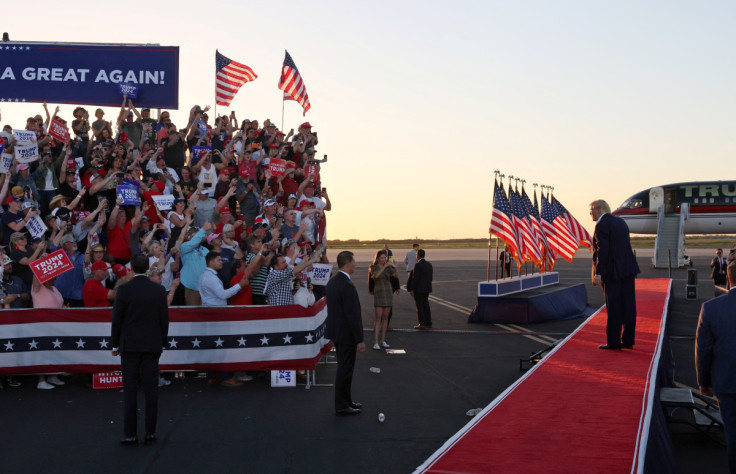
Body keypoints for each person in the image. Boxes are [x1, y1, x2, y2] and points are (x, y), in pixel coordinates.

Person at [111, 254, 169, 446]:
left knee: (130, 391)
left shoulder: (124, 290)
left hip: (130, 346)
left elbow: (117, 319)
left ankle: (130, 434)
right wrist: (163, 342)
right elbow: (164, 319)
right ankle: (150, 432)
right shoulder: (159, 290)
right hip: (152, 345)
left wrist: (114, 344)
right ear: (147, 268)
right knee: (152, 391)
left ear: (132, 269)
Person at [696, 261, 736, 473]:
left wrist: (704, 382)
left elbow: (704, 350)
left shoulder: (710, 308)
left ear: (728, 279)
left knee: (732, 432)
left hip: (726, 381)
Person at [589, 199, 640, 350]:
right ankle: (628, 340)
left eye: (591, 211)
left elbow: (602, 250)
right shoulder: (621, 222)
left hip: (612, 273)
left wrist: (599, 273)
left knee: (614, 307)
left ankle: (614, 342)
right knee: (629, 306)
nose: (591, 214)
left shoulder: (601, 224)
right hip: (628, 270)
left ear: (599, 210)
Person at [198, 251, 251, 387]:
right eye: (219, 260)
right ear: (211, 262)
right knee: (222, 345)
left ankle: (212, 375)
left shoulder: (206, 276)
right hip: (217, 314)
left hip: (212, 313)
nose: (222, 262)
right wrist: (240, 285)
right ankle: (226, 377)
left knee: (214, 346)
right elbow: (223, 295)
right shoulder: (210, 278)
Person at [325, 251, 365, 416]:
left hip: (337, 333)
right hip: (346, 334)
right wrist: (359, 340)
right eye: (354, 262)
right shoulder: (347, 286)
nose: (355, 264)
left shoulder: (333, 282)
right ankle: (342, 405)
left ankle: (347, 401)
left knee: (344, 368)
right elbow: (352, 315)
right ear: (348, 264)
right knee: (345, 370)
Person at [369, 250, 399, 350]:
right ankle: (376, 342)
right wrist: (385, 267)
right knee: (378, 318)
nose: (383, 259)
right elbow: (376, 276)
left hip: (388, 293)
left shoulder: (389, 267)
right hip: (379, 293)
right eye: (382, 257)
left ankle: (383, 340)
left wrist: (395, 267)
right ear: (377, 258)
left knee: (385, 318)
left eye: (385, 257)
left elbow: (396, 276)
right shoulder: (373, 267)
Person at [411, 249, 433, 329]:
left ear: (418, 255)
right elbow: (430, 278)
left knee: (419, 306)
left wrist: (413, 289)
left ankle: (422, 323)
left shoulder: (417, 265)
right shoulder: (429, 264)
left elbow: (415, 279)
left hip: (419, 289)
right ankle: (428, 322)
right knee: (426, 305)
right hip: (427, 288)